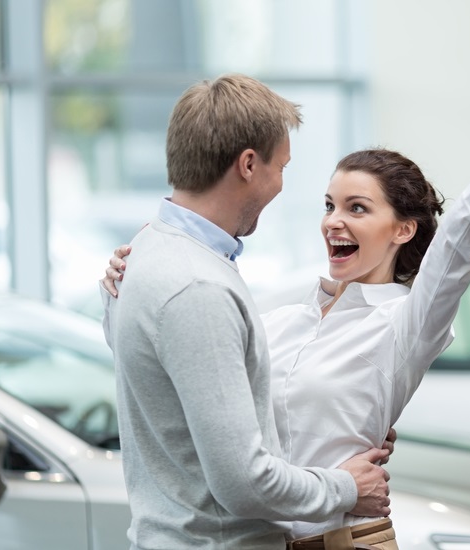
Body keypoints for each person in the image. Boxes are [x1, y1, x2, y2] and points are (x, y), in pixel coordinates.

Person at [102, 56, 470, 550]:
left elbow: (466, 229)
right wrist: (121, 287)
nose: (334, 221)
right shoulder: (281, 315)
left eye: (357, 208)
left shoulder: (404, 323)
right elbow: (186, 369)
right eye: (330, 205)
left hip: (345, 539)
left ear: (402, 229)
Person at [100, 73, 391, 550]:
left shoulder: (145, 251)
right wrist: (346, 487)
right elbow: (244, 483)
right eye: (282, 167)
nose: (281, 185)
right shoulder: (197, 286)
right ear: (249, 164)